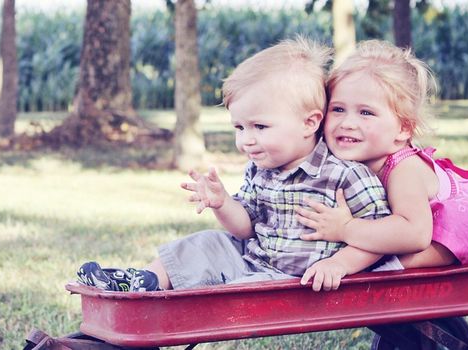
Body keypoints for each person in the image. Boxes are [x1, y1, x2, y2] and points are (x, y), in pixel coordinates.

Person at [76, 37, 396, 293]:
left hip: (295, 283)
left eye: (259, 127)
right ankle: (144, 281)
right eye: (239, 128)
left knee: (235, 294)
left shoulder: (345, 176)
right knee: (206, 242)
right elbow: (245, 228)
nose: (246, 141)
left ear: (309, 123)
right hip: (252, 261)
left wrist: (340, 264)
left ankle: (172, 301)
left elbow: (380, 239)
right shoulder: (261, 168)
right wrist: (223, 203)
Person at [296, 40, 468, 268]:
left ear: (403, 129)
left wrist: (346, 229)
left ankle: (388, 269)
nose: (347, 123)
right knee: (375, 245)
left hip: (461, 228)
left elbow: (415, 234)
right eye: (338, 109)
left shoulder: (403, 171)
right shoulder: (347, 157)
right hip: (414, 225)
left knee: (397, 255)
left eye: (366, 112)